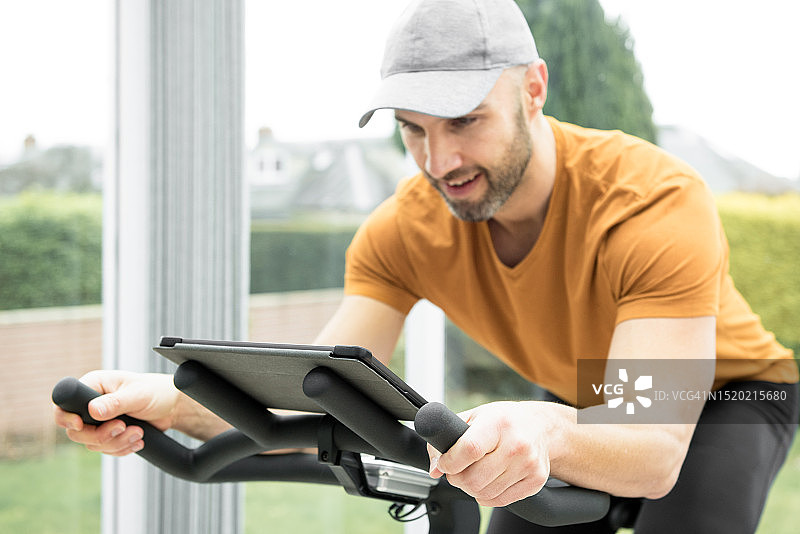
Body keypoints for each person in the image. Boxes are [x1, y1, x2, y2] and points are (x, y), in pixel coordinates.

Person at [55, 0, 798, 532]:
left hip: (726, 399)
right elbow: (319, 394)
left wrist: (548, 431)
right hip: (575, 391)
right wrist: (167, 396)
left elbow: (651, 446)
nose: (440, 163)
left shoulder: (649, 201)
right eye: (412, 130)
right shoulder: (403, 230)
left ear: (533, 89)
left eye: (465, 121)